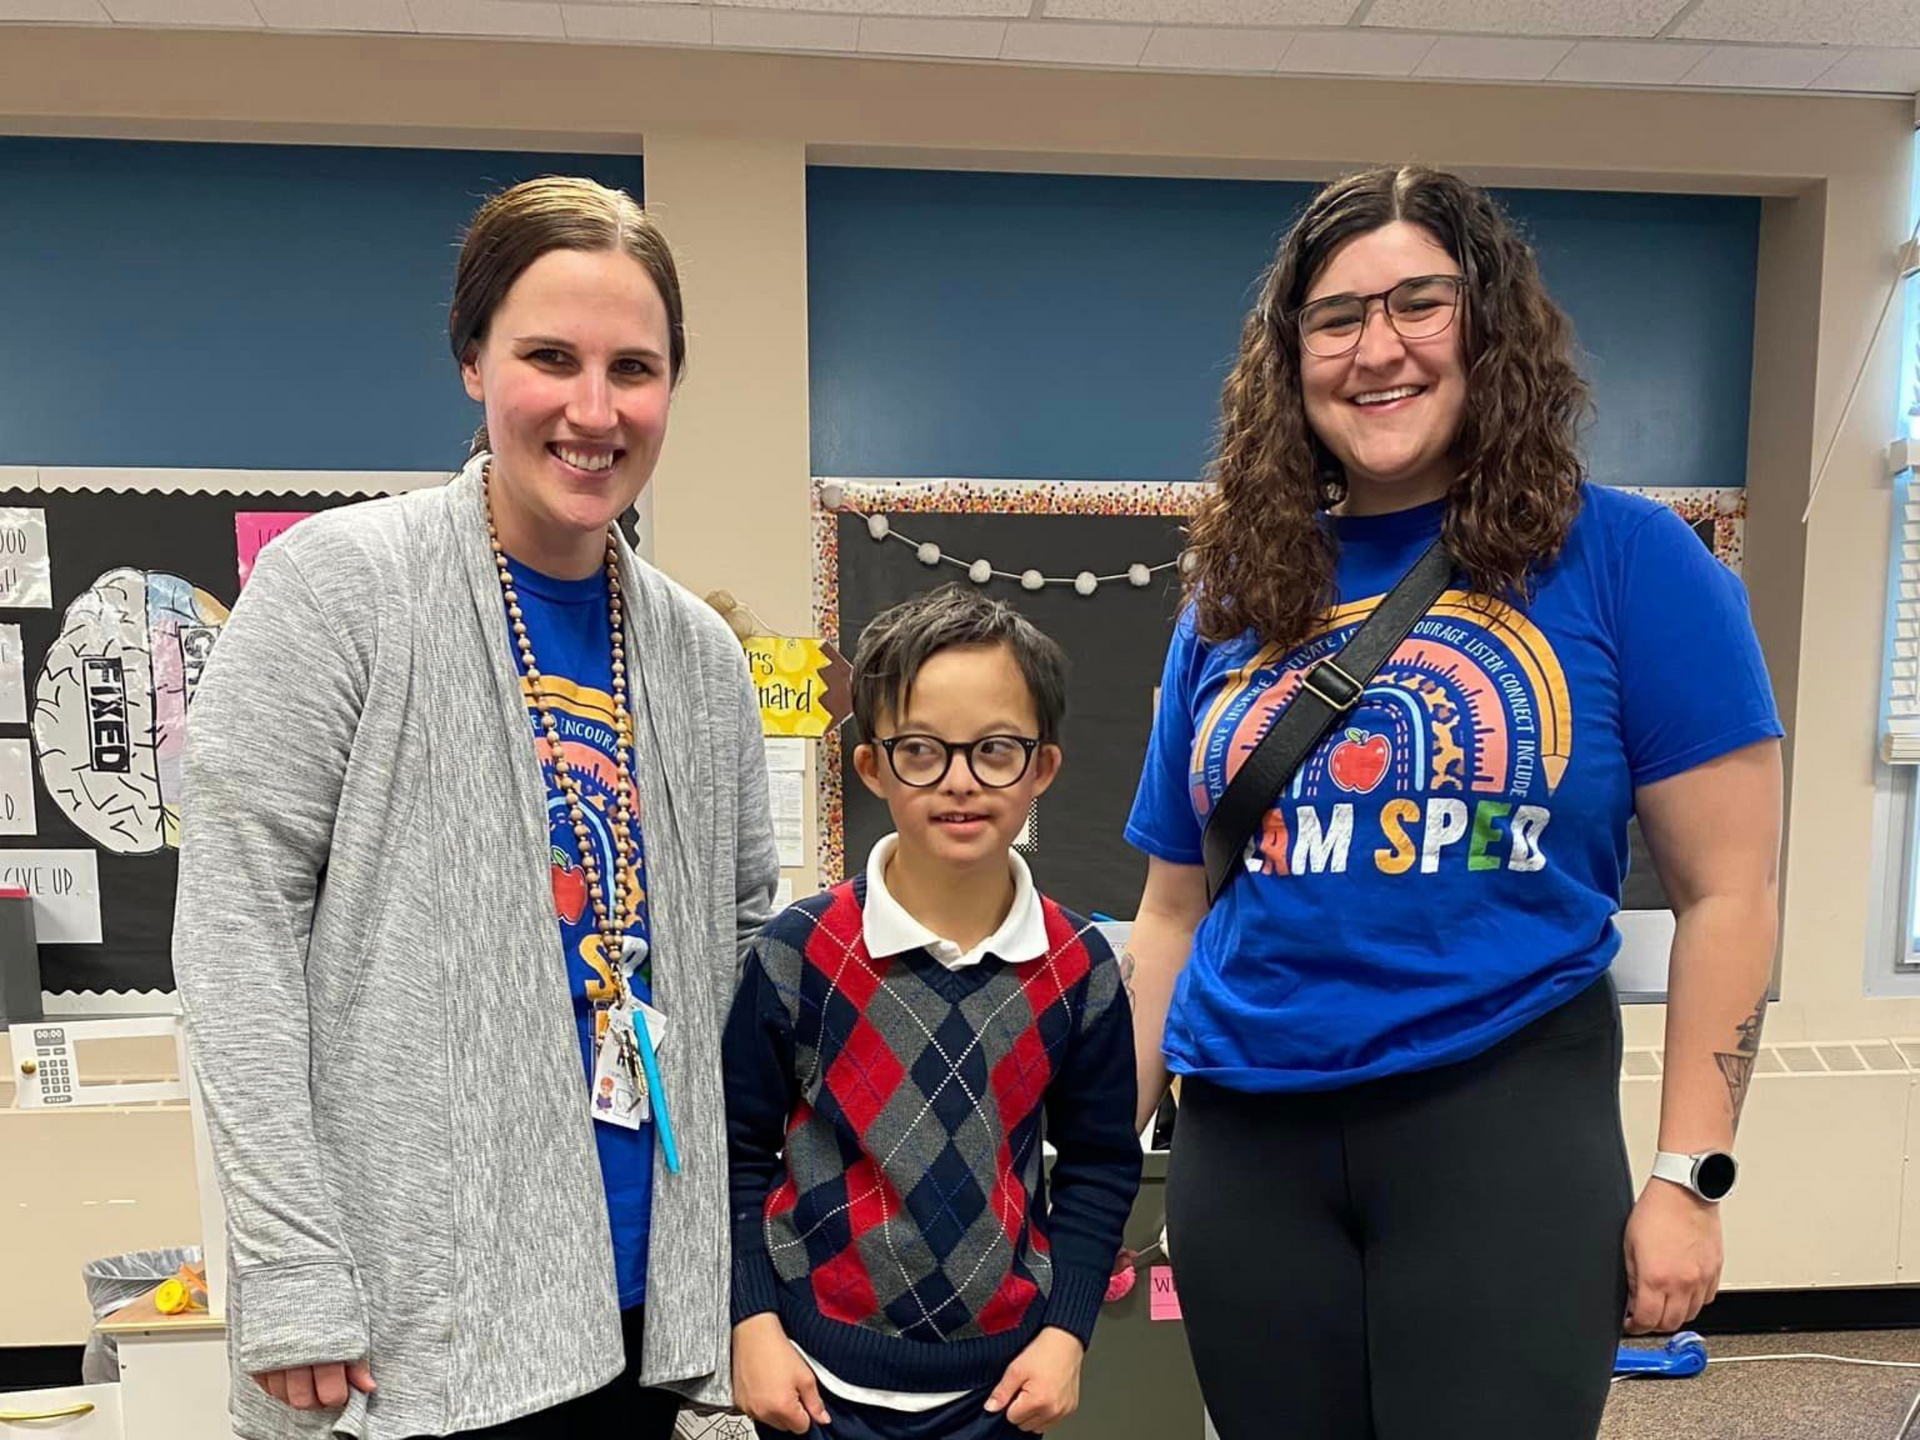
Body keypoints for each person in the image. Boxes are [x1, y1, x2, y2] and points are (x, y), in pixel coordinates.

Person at [1123, 165, 1783, 1440]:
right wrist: (1099, 1165)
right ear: (1289, 357)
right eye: (1335, 317)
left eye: (1418, 304)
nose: (1378, 348)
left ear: (1489, 325)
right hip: (1247, 1144)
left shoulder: (1632, 560)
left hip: (1500, 1121)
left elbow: (1730, 892)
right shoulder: (1233, 591)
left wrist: (1688, 1178)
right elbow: (1170, 913)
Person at [173, 176, 779, 1440]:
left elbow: (731, 945)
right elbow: (235, 939)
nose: (594, 410)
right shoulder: (338, 592)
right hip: (407, 1318)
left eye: (635, 367)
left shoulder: (695, 658)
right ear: (471, 362)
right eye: (548, 357)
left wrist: (732, 1282)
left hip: (640, 1312)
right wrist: (288, 1266)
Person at [723, 584, 1142, 1440]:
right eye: (921, 749)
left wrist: (1068, 1333)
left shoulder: (1077, 969)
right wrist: (750, 1322)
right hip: (812, 1382)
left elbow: (1100, 1165)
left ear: (1043, 768)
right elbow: (732, 1154)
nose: (960, 781)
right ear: (872, 765)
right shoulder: (800, 951)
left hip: (997, 1393)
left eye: (996, 750)